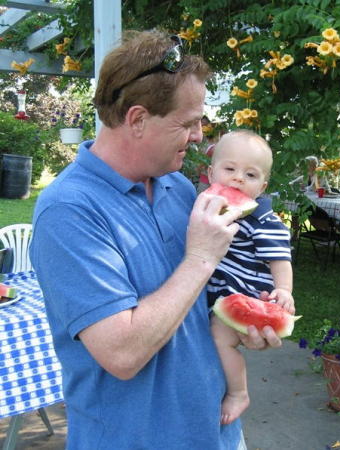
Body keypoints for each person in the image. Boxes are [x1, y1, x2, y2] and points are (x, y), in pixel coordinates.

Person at [29, 30, 282, 450]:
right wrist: (201, 256)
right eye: (188, 122)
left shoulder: (178, 188)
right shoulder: (69, 211)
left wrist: (244, 322)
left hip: (217, 431)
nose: (200, 136)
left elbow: (197, 307)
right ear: (138, 119)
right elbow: (122, 355)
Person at [206, 130, 295, 426]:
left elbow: (280, 260)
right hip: (218, 291)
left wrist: (283, 290)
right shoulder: (211, 207)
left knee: (221, 338)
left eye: (251, 174)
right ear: (210, 173)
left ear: (264, 186)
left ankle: (238, 392)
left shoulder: (264, 222)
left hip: (245, 295)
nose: (238, 179)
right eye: (229, 169)